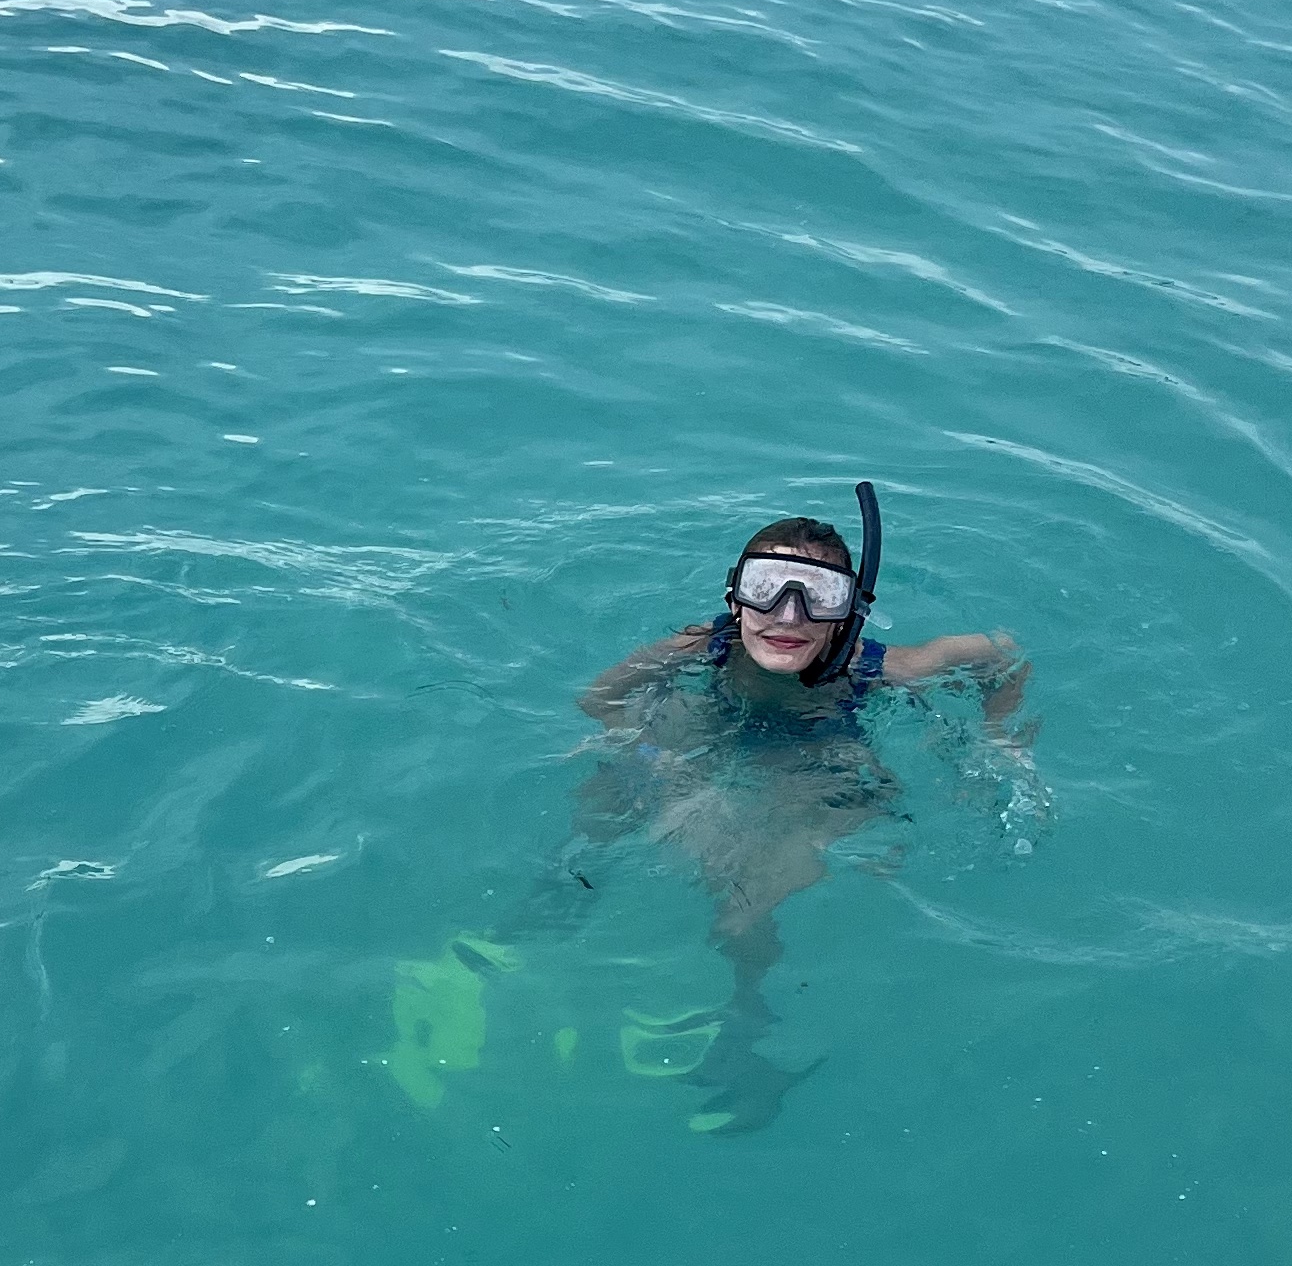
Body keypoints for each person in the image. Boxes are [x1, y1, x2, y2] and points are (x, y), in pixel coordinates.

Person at [386, 484, 1028, 1135]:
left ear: (849, 611)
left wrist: (1000, 746)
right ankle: (526, 927)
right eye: (768, 587)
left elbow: (1002, 656)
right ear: (734, 596)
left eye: (818, 595)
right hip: (712, 722)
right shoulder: (706, 643)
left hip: (816, 757)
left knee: (746, 905)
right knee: (610, 799)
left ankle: (744, 1024)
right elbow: (602, 694)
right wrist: (631, 740)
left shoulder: (886, 666)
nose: (789, 613)